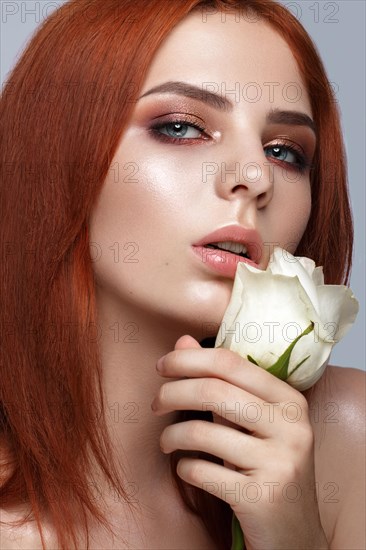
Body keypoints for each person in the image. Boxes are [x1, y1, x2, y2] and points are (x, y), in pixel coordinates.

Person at [0, 0, 364, 548]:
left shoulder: (346, 439)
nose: (253, 175)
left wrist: (296, 538)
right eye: (180, 127)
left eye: (284, 151)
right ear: (54, 153)